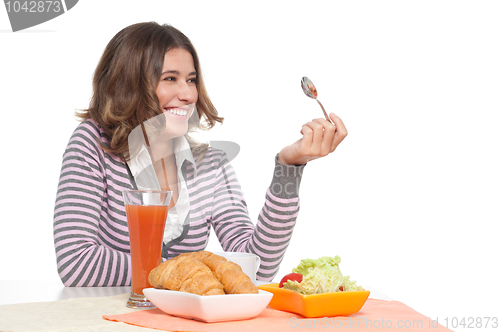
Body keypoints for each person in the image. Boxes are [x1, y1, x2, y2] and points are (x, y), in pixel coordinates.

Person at [53, 22, 347, 287]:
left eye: (191, 80)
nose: (188, 94)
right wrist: (192, 271)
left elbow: (256, 267)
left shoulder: (209, 163)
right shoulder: (92, 144)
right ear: (128, 83)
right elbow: (76, 263)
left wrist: (289, 166)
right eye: (170, 78)